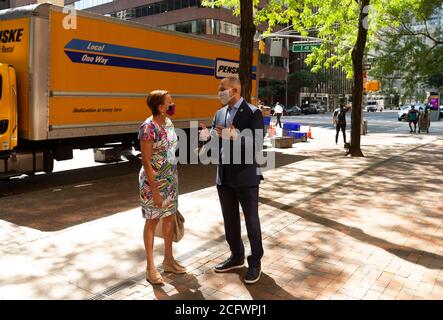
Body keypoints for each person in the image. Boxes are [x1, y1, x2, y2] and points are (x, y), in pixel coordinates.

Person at [200, 77, 265, 284]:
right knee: (230, 220)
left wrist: (234, 136)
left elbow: (256, 143)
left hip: (246, 177)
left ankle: (255, 262)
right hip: (224, 176)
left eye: (223, 89)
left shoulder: (253, 112)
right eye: (219, 89)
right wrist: (205, 136)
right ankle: (236, 255)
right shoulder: (220, 113)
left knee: (252, 222)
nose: (219, 92)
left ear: (235, 90)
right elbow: (214, 136)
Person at [138, 90, 186, 285]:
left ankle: (168, 260)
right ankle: (150, 267)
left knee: (168, 218)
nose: (172, 104)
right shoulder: (147, 127)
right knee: (152, 220)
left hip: (170, 180)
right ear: (160, 106)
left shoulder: (168, 123)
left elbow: (171, 150)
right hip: (153, 183)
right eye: (169, 102)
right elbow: (146, 161)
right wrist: (156, 190)